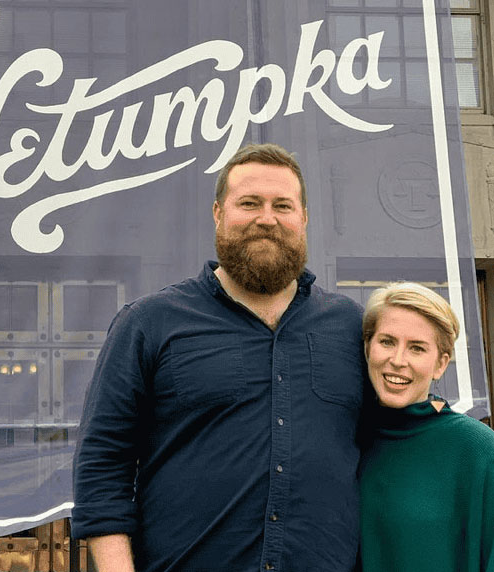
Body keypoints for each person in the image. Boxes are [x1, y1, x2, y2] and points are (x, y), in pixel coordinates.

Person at [72, 143, 368, 572]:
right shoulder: (150, 323)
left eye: (282, 205)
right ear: (218, 213)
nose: (266, 218)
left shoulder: (350, 327)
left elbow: (397, 438)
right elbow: (103, 464)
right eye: (249, 203)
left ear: (303, 218)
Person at [360, 282, 494, 572]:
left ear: (441, 364)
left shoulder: (477, 448)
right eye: (387, 342)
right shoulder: (344, 438)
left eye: (417, 348)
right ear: (367, 347)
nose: (397, 360)